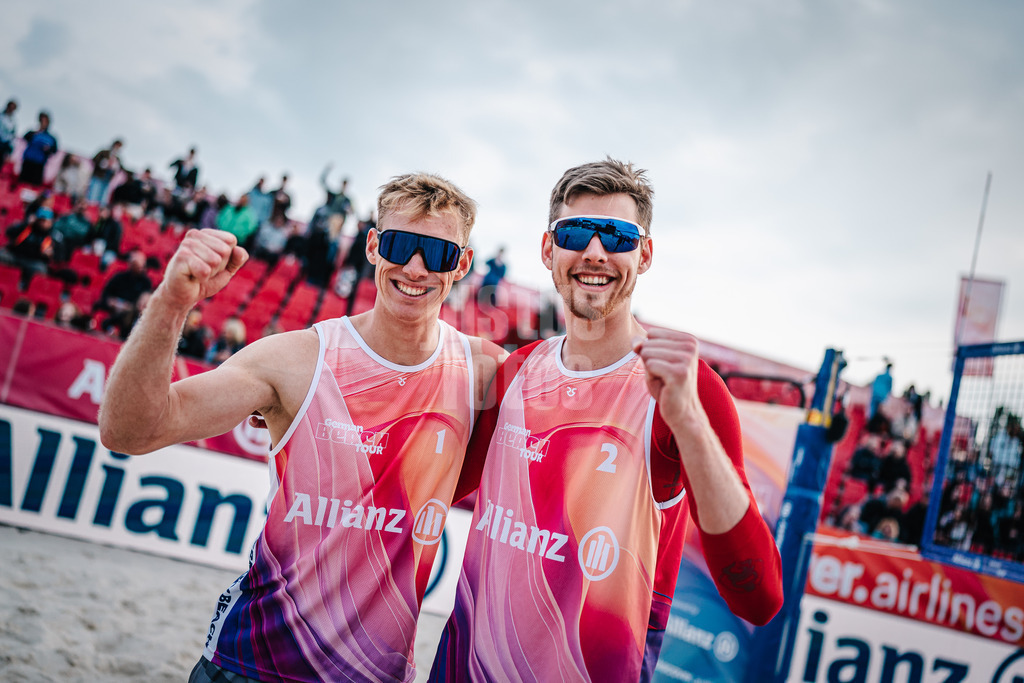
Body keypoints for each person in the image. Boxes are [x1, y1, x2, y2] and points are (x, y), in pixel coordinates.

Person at [98, 172, 505, 683]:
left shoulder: (484, 372)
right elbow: (132, 431)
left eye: (439, 252)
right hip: (251, 661)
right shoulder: (298, 359)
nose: (416, 267)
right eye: (402, 245)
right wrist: (173, 303)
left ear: (462, 264)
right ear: (375, 247)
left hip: (373, 672)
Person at [431, 159, 783, 682]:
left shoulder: (686, 387)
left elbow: (760, 600)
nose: (595, 251)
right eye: (576, 232)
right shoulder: (517, 373)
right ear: (549, 249)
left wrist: (686, 420)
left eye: (617, 237)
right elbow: (417, 489)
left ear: (643, 255)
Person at [19, 110, 58, 186]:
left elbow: (54, 150)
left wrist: (48, 149)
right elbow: (25, 137)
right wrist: (38, 131)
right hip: (28, 161)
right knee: (22, 183)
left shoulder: (51, 138)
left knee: (34, 186)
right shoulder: (34, 133)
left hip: (39, 165)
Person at [87, 139, 123, 205]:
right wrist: (104, 163)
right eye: (117, 146)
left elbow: (120, 169)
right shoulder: (104, 152)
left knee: (102, 200)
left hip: (107, 179)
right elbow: (94, 160)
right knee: (93, 196)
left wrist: (114, 167)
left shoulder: (117, 158)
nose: (117, 148)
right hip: (98, 177)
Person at [1, 99, 19, 171]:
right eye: (10, 107)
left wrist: (10, 150)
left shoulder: (13, 122)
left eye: (13, 108)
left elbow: (12, 136)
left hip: (3, 147)